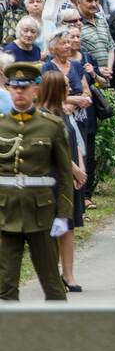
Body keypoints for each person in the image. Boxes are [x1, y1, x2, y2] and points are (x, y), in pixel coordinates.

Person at [0, 62, 74, 301]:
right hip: (5, 212)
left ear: (35, 90)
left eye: (25, 87)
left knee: (52, 284)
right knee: (5, 285)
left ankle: (57, 335)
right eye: (14, 87)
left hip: (41, 213)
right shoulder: (1, 125)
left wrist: (63, 215)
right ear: (8, 88)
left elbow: (64, 175)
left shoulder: (51, 126)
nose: (19, 92)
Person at [38, 70, 86, 292]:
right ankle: (52, 274)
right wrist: (75, 170)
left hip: (70, 177)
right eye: (65, 86)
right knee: (54, 227)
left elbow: (74, 143)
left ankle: (69, 274)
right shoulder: (42, 115)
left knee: (69, 226)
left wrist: (81, 167)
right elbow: (53, 150)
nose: (69, 89)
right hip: (53, 178)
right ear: (55, 88)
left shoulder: (64, 112)